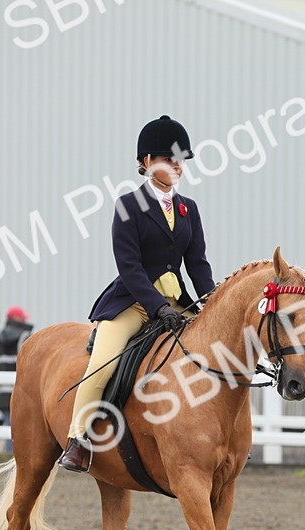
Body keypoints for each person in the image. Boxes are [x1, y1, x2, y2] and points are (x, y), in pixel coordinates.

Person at [58, 115, 215, 473]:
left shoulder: (188, 208)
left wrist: (212, 300)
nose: (177, 166)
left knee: (214, 352)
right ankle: (78, 440)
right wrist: (157, 307)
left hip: (177, 303)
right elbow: (130, 267)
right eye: (168, 159)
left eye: (180, 160)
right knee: (102, 365)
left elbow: (198, 264)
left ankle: (217, 436)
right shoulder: (129, 206)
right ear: (146, 163)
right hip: (134, 303)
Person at [0, 306, 35, 420]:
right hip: (21, 391)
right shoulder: (26, 337)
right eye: (23, 318)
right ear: (17, 318)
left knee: (8, 422)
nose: (25, 320)